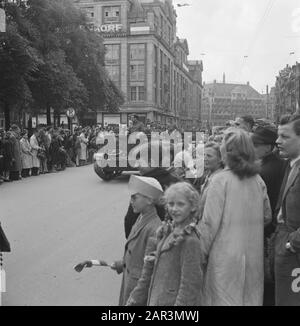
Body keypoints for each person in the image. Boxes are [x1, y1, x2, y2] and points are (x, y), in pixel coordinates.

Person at [198, 127, 272, 306]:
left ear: (226, 152)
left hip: (224, 258)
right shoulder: (257, 180)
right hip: (252, 255)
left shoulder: (220, 181)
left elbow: (208, 224)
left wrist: (199, 255)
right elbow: (267, 216)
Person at [74, 175, 163, 306]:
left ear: (149, 200)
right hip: (130, 283)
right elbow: (136, 254)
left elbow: (149, 270)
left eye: (134, 197)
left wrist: (135, 300)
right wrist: (121, 264)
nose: (131, 201)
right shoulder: (141, 218)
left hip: (138, 293)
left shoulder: (154, 228)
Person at [126, 182, 203, 306]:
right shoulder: (167, 231)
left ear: (193, 207)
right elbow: (149, 273)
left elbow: (189, 287)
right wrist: (135, 298)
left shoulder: (190, 241)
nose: (174, 209)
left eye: (180, 204)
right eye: (171, 204)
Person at [251, 124, 287, 306]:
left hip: (268, 233)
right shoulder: (279, 164)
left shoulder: (264, 171)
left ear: (267, 147)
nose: (252, 148)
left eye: (256, 144)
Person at [273, 114, 300, 306]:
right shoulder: (291, 164)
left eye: (285, 136)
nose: (277, 141)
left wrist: (292, 243)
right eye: (277, 135)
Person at [199, 142, 224, 219]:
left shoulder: (220, 178)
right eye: (204, 155)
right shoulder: (209, 174)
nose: (205, 158)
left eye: (209, 156)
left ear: (220, 159)